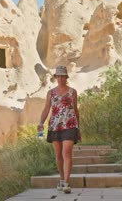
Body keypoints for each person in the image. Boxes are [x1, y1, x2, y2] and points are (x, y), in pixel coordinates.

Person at [38, 65, 81, 194]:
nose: (60, 78)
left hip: (70, 124)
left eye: (63, 76)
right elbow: (46, 109)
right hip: (54, 126)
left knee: (66, 152)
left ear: (66, 77)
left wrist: (78, 127)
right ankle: (62, 179)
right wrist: (41, 122)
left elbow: (75, 109)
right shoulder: (50, 93)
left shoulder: (72, 92)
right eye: (58, 76)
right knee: (58, 155)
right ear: (56, 77)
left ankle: (67, 183)